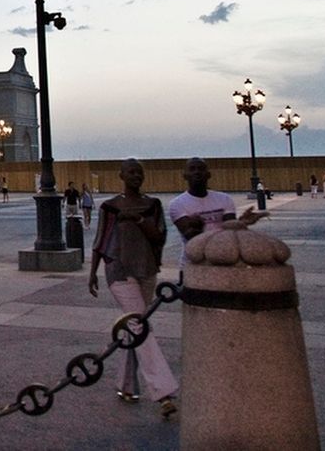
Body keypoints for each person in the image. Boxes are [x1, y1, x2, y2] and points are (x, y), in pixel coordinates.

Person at [88, 158, 178, 419]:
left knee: (132, 328)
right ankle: (163, 392)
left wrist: (138, 218)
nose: (136, 176)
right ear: (121, 176)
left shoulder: (153, 206)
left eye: (139, 172)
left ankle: (126, 386)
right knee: (140, 325)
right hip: (118, 271)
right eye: (131, 172)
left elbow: (159, 236)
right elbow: (100, 240)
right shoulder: (110, 207)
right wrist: (93, 272)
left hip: (146, 270)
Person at [169, 157, 266, 271]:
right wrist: (198, 228)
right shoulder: (177, 204)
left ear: (208, 174)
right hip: (193, 266)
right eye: (192, 169)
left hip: (223, 262)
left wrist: (241, 223)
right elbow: (191, 237)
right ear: (185, 175)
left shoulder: (224, 199)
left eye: (201, 168)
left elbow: (230, 231)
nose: (197, 172)